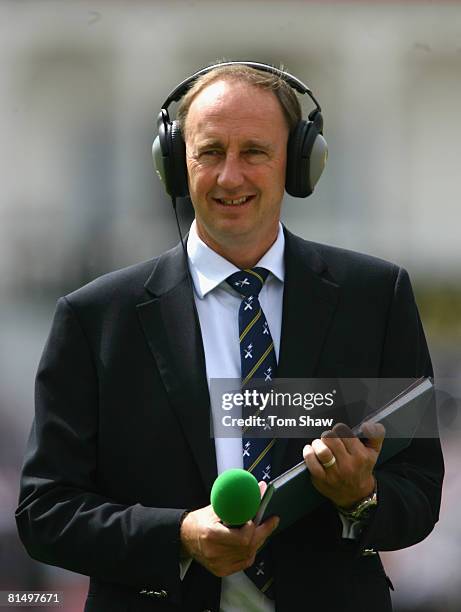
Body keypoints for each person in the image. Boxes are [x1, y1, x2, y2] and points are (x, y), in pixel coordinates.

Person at [16, 62, 444, 612]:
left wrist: (362, 497)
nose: (230, 177)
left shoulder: (377, 297)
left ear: (297, 163)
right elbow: (45, 512)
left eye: (255, 152)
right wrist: (180, 536)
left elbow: (420, 491)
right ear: (176, 163)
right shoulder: (96, 318)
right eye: (211, 152)